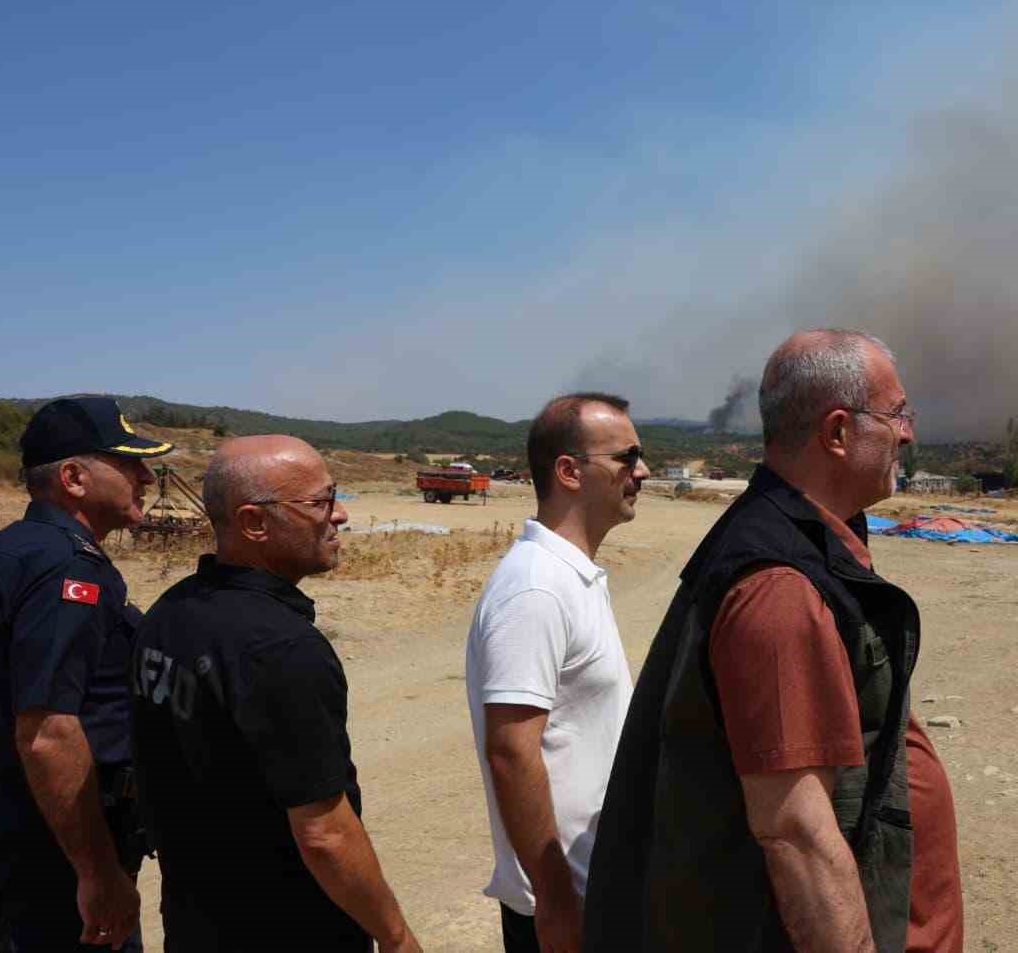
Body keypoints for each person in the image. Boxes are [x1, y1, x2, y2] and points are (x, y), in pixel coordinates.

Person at [584, 329, 964, 953]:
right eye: (896, 414)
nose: (908, 432)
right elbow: (797, 834)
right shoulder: (780, 586)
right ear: (837, 433)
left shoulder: (813, 544)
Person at [129, 435, 420, 952]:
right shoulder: (280, 648)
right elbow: (324, 834)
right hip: (285, 928)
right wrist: (397, 938)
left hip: (197, 920)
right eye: (320, 503)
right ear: (253, 523)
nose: (340, 517)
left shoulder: (171, 610)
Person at [0, 396, 172, 950]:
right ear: (74, 477)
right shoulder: (67, 568)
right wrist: (97, 871)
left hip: (12, 819)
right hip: (48, 838)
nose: (147, 477)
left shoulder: (7, 551)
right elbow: (49, 731)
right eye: (130, 465)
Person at [465, 393, 647, 953]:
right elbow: (513, 751)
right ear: (569, 472)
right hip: (573, 903)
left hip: (597, 889)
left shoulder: (570, 576)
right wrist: (557, 902)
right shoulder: (537, 588)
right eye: (626, 457)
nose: (641, 471)